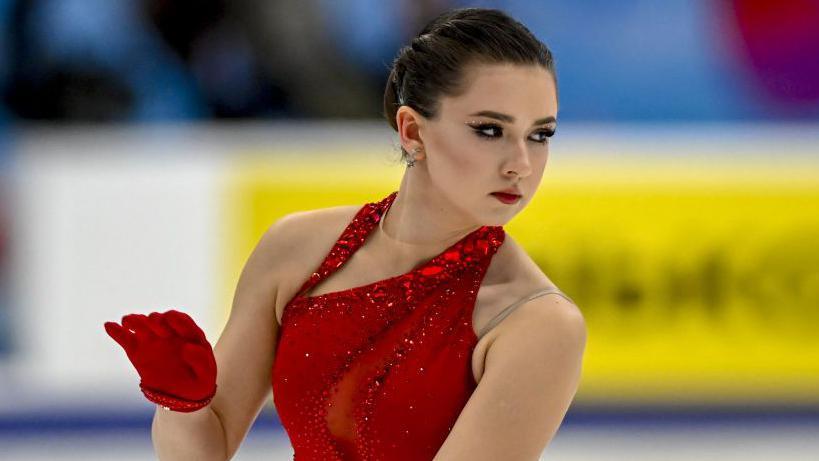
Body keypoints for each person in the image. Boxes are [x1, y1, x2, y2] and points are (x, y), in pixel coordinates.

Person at [104, 7, 586, 461]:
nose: (521, 164)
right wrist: (182, 403)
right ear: (413, 131)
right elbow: (206, 447)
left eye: (540, 135)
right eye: (489, 130)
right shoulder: (295, 249)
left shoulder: (535, 324)